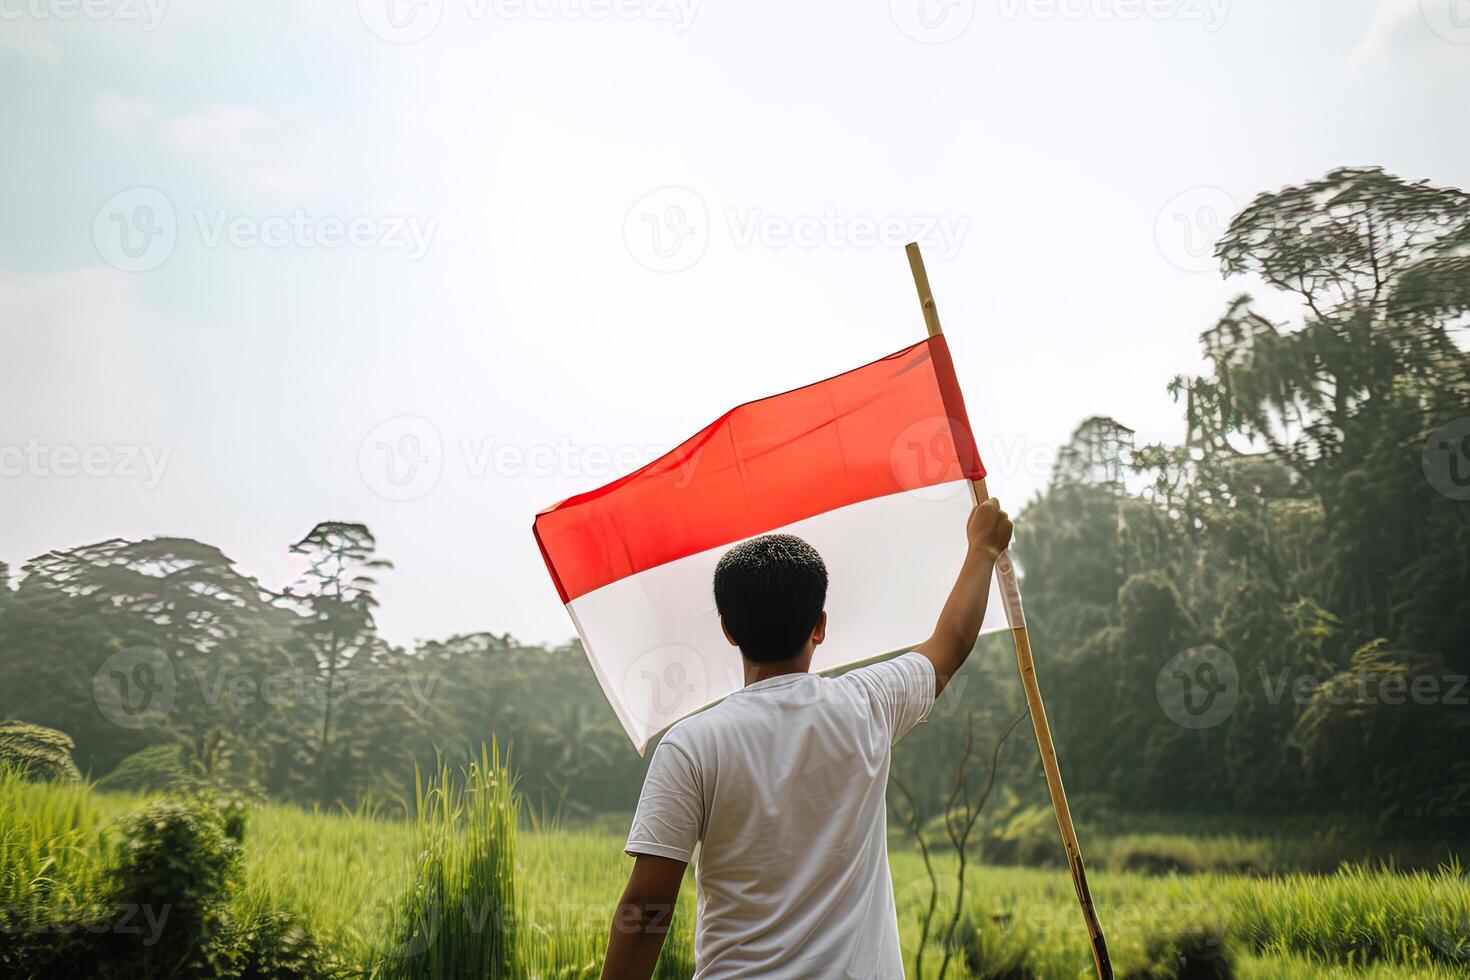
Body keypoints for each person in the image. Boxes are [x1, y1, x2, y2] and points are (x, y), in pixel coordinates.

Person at [599, 498, 1013, 980]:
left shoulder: (691, 745)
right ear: (819, 625)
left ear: (728, 630)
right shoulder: (868, 704)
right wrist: (982, 550)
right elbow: (952, 642)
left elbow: (647, 908)